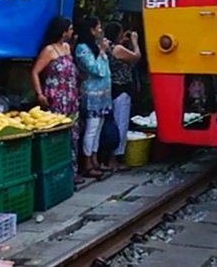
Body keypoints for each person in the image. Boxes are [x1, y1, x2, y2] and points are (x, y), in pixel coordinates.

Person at [30, 16, 84, 186]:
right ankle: (58, 174)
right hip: (56, 98)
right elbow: (34, 72)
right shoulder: (48, 51)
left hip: (71, 97)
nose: (72, 31)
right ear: (63, 31)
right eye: (70, 29)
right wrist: (40, 94)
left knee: (73, 136)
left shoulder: (67, 48)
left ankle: (72, 173)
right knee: (58, 136)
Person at [74, 16, 112, 178]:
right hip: (92, 95)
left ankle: (95, 160)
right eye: (98, 27)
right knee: (91, 130)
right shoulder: (82, 49)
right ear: (90, 30)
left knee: (97, 129)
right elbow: (97, 70)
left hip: (102, 94)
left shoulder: (93, 46)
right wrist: (102, 51)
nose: (100, 30)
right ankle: (87, 163)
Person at [103, 23, 141, 171]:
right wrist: (135, 41)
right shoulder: (118, 49)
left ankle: (109, 157)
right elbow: (136, 57)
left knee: (112, 123)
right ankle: (114, 159)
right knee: (120, 124)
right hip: (121, 90)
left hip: (111, 89)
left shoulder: (107, 47)